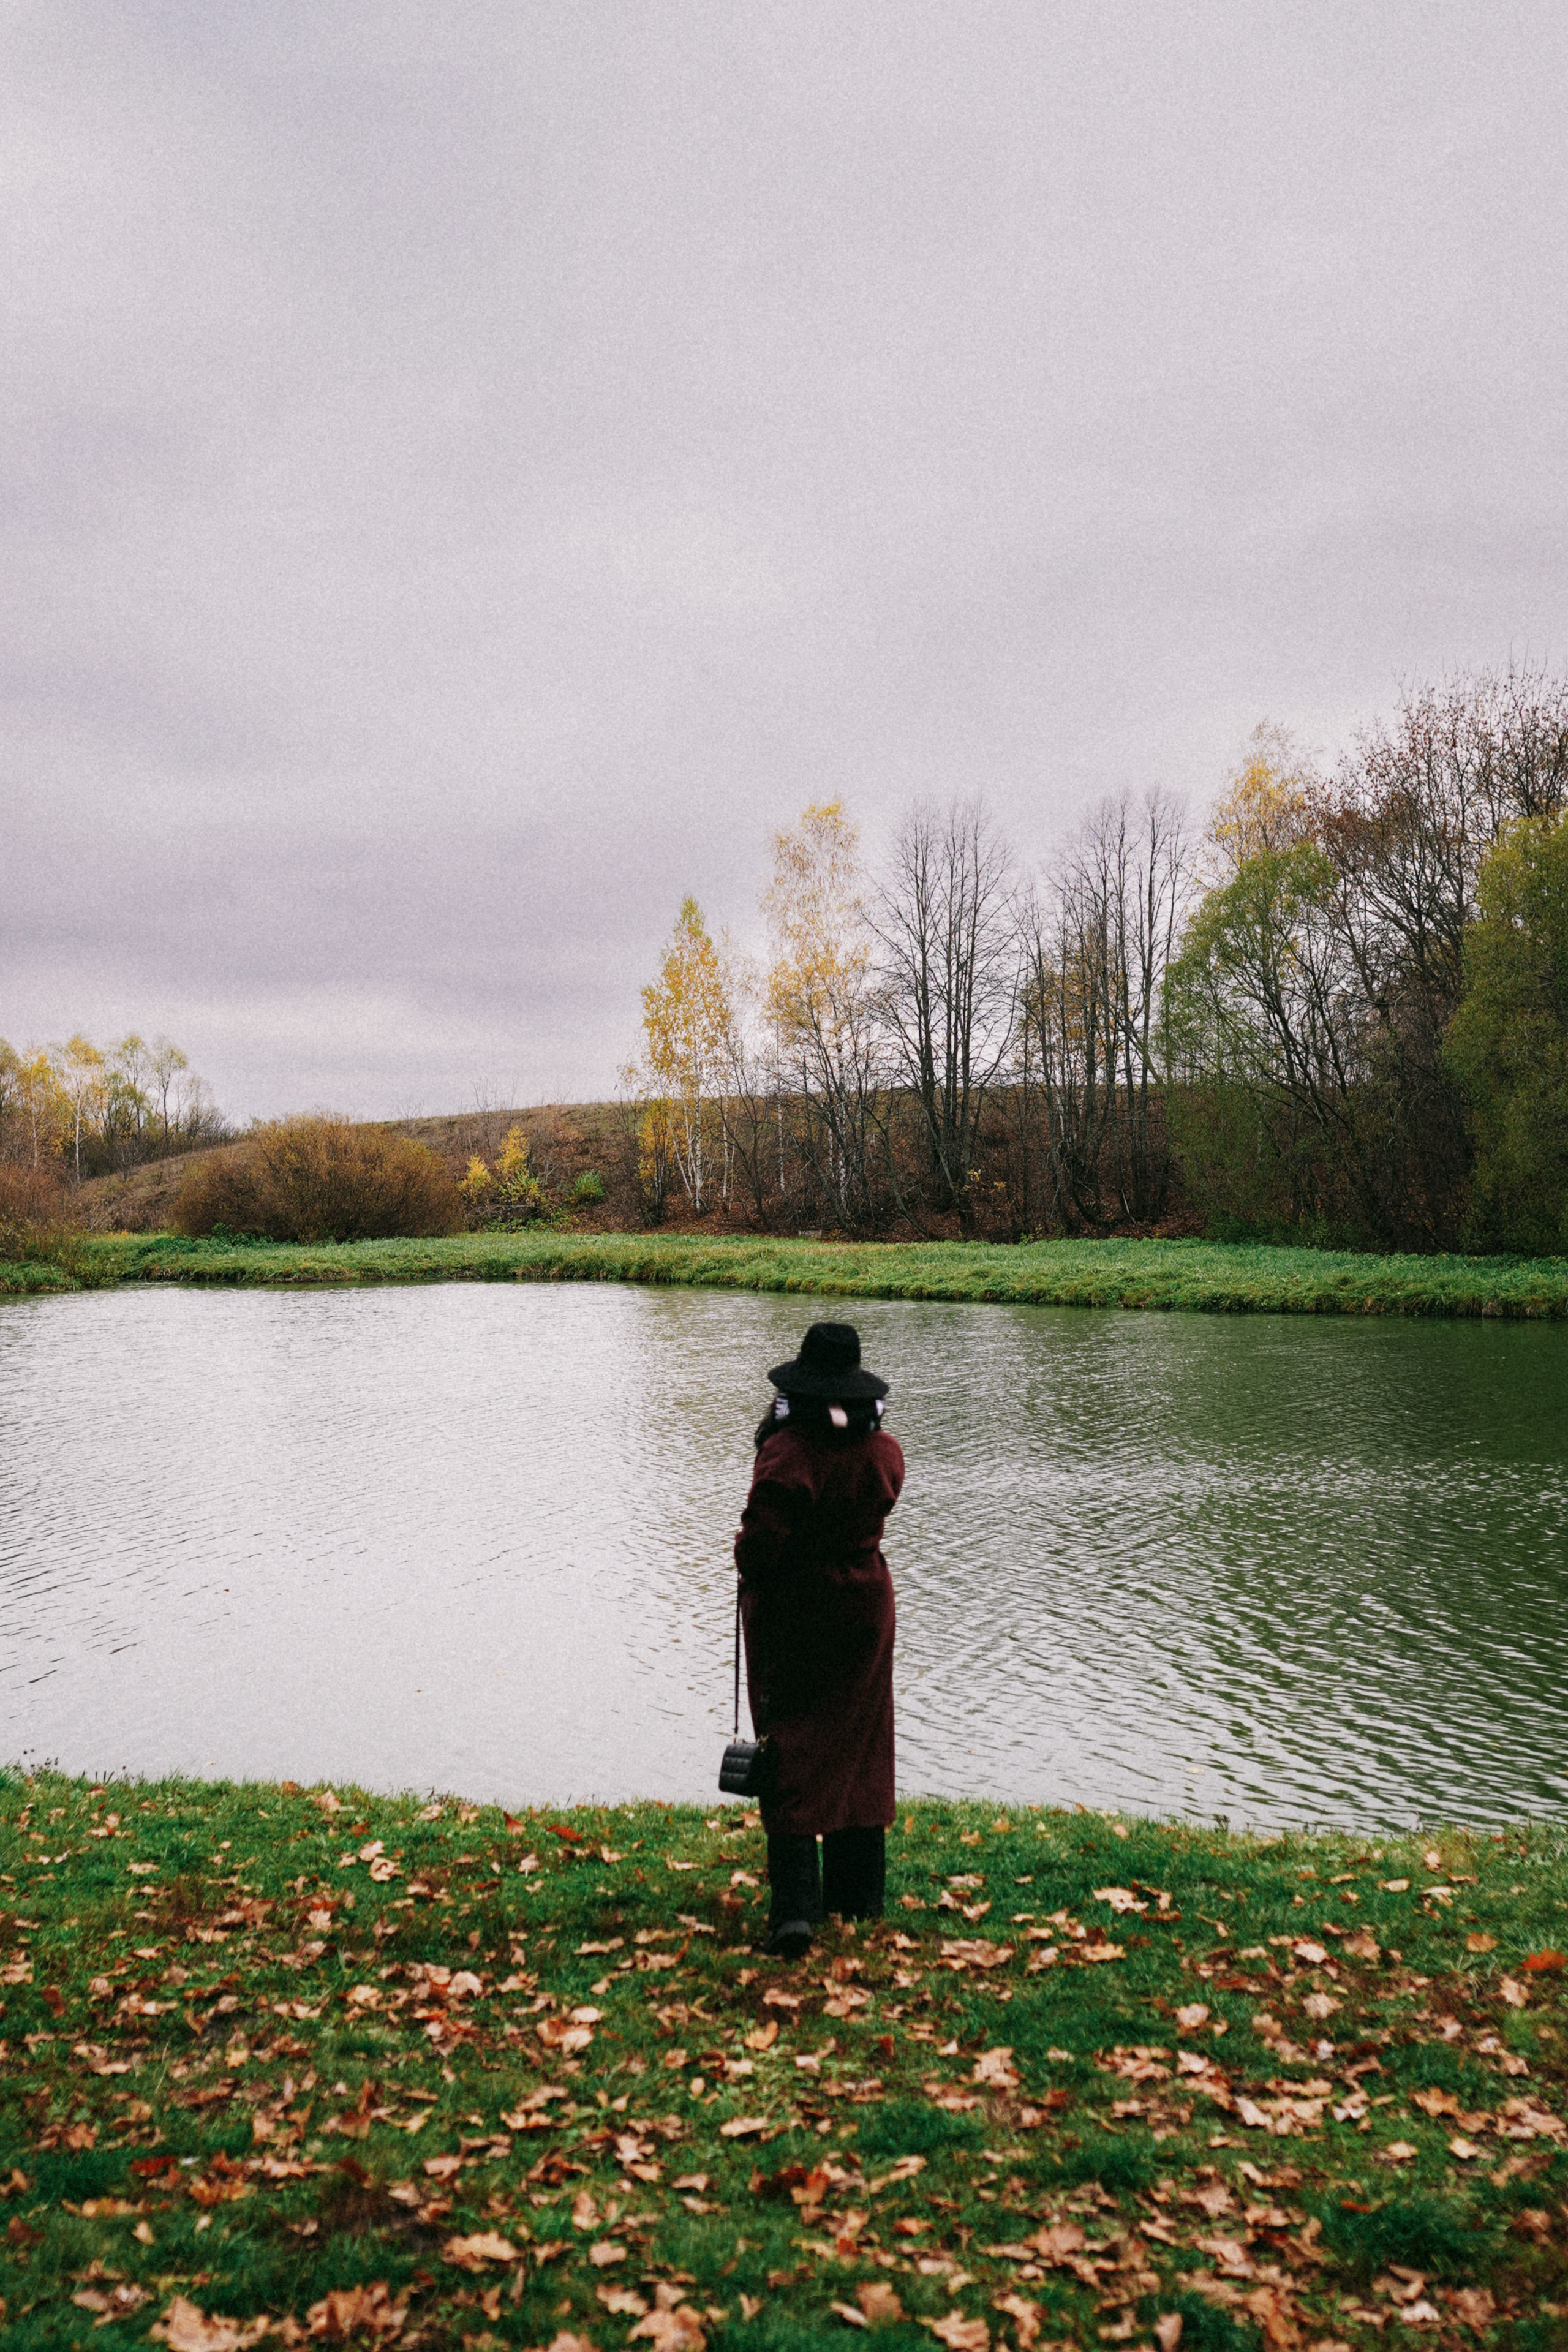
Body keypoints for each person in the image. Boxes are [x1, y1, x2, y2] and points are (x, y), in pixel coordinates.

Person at [734, 1320, 904, 1958]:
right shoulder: (885, 1450)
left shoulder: (788, 1453)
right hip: (865, 1606)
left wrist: (746, 1565)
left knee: (792, 1743)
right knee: (861, 1742)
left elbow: (760, 1544)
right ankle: (857, 1896)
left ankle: (794, 1914)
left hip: (795, 1610)